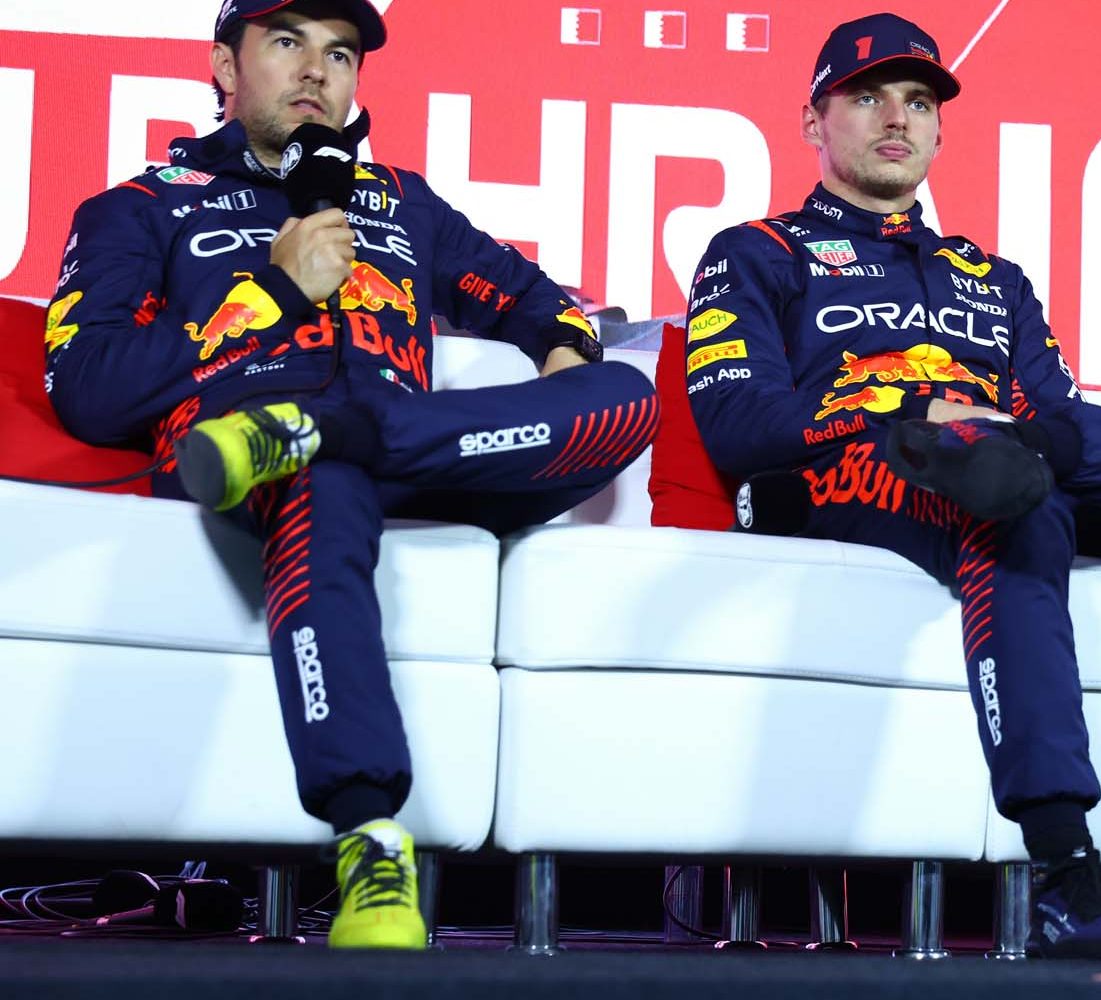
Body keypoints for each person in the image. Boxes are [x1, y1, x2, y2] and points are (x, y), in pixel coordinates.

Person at [647, 12, 1101, 960]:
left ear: (938, 127)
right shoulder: (757, 250)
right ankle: (1063, 868)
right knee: (1017, 500)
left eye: (918, 101)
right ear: (814, 122)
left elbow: (1064, 416)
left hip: (1016, 460)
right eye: (868, 97)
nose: (898, 118)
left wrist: (1030, 440)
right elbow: (735, 421)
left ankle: (1012, 464)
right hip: (868, 474)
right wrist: (906, 415)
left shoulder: (992, 277)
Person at [43, 0, 656, 949]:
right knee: (324, 486)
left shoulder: (399, 201)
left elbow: (544, 304)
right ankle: (371, 836)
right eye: (286, 43)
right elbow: (88, 387)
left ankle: (323, 433)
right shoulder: (140, 205)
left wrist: (566, 346)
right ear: (222, 64)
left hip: (407, 455)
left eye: (339, 53)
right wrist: (271, 292)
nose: (316, 71)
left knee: (622, 395)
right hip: (241, 458)